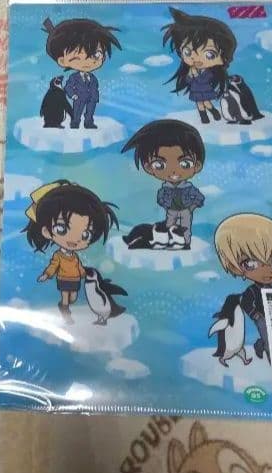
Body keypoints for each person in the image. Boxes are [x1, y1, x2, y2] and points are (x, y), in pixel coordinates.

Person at [23, 180, 119, 323]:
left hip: (75, 279)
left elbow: (78, 266)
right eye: (62, 229)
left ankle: (64, 306)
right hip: (63, 278)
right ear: (46, 231)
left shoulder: (74, 256)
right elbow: (53, 266)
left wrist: (83, 273)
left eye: (85, 235)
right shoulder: (58, 255)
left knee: (73, 298)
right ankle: (65, 310)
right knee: (66, 298)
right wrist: (47, 274)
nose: (74, 240)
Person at [214, 213, 272, 362]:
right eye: (251, 264)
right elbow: (246, 303)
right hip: (261, 318)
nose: (267, 270)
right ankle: (269, 354)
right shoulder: (251, 290)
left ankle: (261, 345)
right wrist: (255, 315)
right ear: (235, 268)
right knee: (268, 339)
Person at [121, 119, 205, 249]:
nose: (173, 171)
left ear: (197, 165)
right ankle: (170, 241)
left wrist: (191, 207)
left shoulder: (189, 189)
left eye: (185, 163)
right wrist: (166, 205)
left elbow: (199, 198)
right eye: (160, 165)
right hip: (171, 211)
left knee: (185, 226)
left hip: (185, 211)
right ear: (148, 168)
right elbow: (161, 198)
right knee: (169, 226)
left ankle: (186, 243)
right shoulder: (165, 189)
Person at [42, 17, 121, 129]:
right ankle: (75, 123)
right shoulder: (74, 78)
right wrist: (73, 95)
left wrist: (95, 96)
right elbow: (68, 87)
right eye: (78, 57)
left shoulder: (92, 78)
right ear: (62, 61)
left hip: (92, 99)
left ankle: (89, 122)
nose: (88, 61)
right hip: (79, 98)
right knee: (77, 111)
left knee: (90, 111)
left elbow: (94, 86)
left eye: (96, 55)